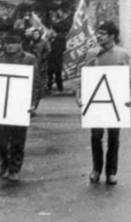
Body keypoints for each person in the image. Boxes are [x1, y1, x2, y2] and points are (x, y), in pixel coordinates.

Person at [76, 21, 131, 185]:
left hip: (116, 101)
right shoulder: (92, 53)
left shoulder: (123, 54)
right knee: (96, 136)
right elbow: (85, 75)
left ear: (112, 36)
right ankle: (96, 169)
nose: (98, 36)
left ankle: (111, 171)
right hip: (97, 101)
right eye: (97, 33)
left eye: (103, 33)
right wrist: (80, 94)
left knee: (114, 137)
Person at [0, 31, 40, 182]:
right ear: (4, 44)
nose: (11, 46)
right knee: (1, 140)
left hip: (20, 103)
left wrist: (33, 103)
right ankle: (5, 162)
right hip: (1, 103)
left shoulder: (29, 59)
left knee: (18, 139)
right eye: (8, 43)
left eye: (14, 43)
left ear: (20, 44)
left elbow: (36, 83)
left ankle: (15, 167)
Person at [47, 25, 66, 93]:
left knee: (58, 74)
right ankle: (49, 88)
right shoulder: (51, 38)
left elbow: (63, 48)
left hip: (57, 59)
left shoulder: (61, 37)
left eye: (51, 29)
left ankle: (60, 89)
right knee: (49, 74)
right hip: (51, 59)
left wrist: (56, 53)